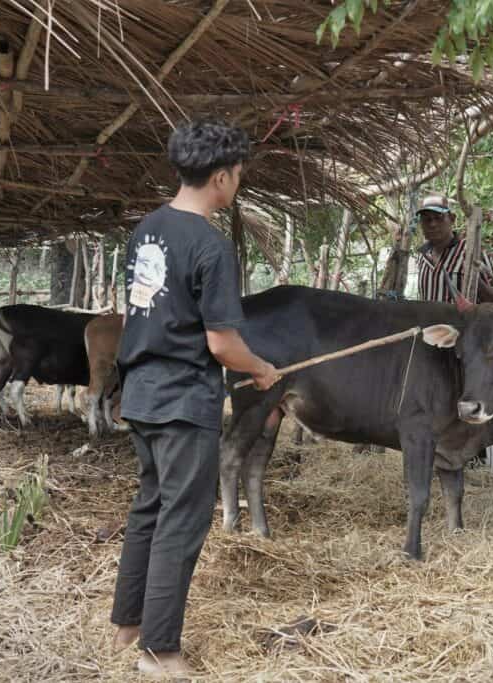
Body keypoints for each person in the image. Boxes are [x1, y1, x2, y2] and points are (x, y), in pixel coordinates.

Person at [110, 119, 280, 677]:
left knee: (149, 509)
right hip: (184, 401)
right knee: (182, 520)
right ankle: (159, 652)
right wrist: (260, 369)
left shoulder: (147, 229)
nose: (238, 186)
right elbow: (222, 342)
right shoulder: (210, 245)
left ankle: (126, 625)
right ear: (224, 178)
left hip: (140, 392)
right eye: (239, 178)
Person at [414, 194, 493, 475]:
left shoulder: (471, 252)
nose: (432, 225)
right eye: (426, 220)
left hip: (467, 342)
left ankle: (486, 462)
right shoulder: (422, 257)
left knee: (472, 397)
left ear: (452, 219)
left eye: (438, 218)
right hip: (435, 341)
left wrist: (477, 283)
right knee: (439, 401)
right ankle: (446, 458)